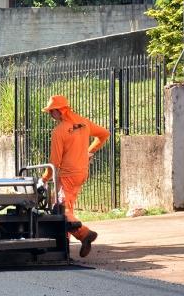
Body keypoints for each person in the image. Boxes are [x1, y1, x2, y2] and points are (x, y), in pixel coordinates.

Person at [40, 94, 109, 258]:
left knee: (60, 209)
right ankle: (64, 247)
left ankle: (85, 234)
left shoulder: (59, 131)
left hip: (68, 175)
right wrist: (89, 151)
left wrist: (43, 179)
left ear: (58, 111)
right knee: (67, 207)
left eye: (51, 112)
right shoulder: (83, 122)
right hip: (81, 173)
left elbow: (54, 162)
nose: (50, 115)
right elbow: (104, 134)